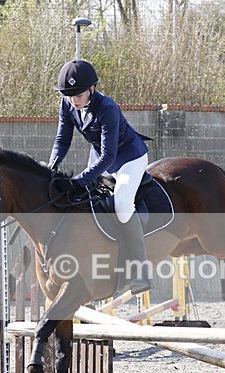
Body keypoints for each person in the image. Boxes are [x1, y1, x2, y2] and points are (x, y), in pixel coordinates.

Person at [49, 59, 152, 295]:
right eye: (69, 95)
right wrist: (52, 167)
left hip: (128, 159)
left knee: (122, 204)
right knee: (83, 200)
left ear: (91, 89)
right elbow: (62, 140)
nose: (74, 100)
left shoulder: (108, 108)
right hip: (100, 157)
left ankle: (141, 272)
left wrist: (80, 180)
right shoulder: (67, 105)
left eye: (78, 94)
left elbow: (109, 155)